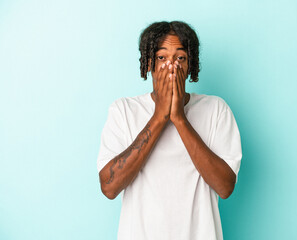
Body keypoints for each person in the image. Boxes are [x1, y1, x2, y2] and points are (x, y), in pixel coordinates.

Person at [97, 20, 242, 240]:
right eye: (161, 58)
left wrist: (179, 119)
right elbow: (109, 187)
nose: (171, 66)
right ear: (148, 64)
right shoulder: (123, 111)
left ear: (190, 65)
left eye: (180, 58)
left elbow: (225, 187)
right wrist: (159, 117)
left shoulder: (216, 110)